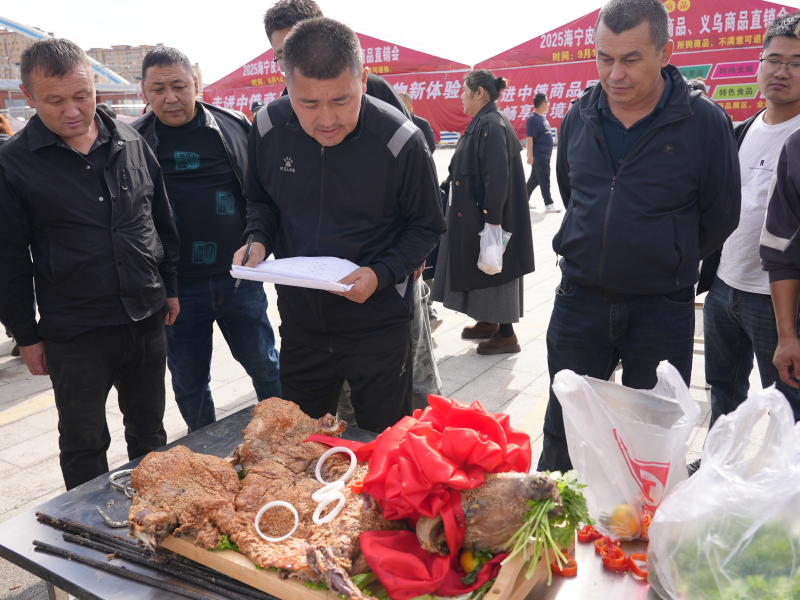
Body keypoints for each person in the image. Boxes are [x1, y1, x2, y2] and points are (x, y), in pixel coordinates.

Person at [539, 0, 741, 472]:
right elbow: (573, 193)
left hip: (661, 308)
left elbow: (721, 215)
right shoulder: (580, 115)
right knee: (566, 427)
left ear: (665, 52)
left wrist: (669, 255)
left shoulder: (704, 122)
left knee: (651, 441)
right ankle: (554, 517)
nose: (615, 74)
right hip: (578, 302)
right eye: (604, 58)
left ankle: (640, 522)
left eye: (631, 59)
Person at [234, 17, 444, 432]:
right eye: (309, 104)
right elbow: (261, 202)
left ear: (363, 81)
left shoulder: (400, 139)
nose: (327, 119)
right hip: (301, 325)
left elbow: (426, 227)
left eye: (342, 100)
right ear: (287, 84)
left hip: (378, 326)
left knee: (382, 443)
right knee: (299, 442)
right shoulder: (268, 127)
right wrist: (257, 239)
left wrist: (380, 273)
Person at [0, 38, 180, 489]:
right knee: (84, 442)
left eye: (82, 95)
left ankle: (155, 516)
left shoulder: (131, 140)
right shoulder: (13, 164)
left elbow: (159, 218)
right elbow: (9, 259)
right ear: (28, 97)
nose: (72, 111)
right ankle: (84, 526)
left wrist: (170, 286)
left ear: (95, 85)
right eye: (55, 101)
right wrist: (26, 335)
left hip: (144, 315)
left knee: (151, 433)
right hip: (75, 330)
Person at [133, 47, 282, 433]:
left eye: (179, 86)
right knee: (189, 381)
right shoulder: (132, 140)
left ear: (196, 83)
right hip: (177, 289)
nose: (171, 97)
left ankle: (285, 438)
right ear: (144, 92)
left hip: (238, 277)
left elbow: (262, 194)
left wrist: (259, 241)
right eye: (158, 89)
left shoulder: (234, 125)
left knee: (266, 367)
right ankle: (203, 448)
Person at [695, 13, 800, 467]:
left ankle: (783, 489)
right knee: (723, 391)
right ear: (759, 63)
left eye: (796, 63)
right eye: (773, 59)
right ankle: (719, 467)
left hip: (779, 302)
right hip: (725, 288)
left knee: (787, 407)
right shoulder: (742, 129)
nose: (782, 71)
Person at [431, 70, 535, 355]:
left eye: (465, 91)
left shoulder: (491, 123)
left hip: (487, 216)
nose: (461, 97)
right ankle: (489, 321)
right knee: (482, 270)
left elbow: (497, 177)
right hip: (476, 213)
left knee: (493, 269)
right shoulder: (485, 120)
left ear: (479, 93)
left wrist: (492, 223)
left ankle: (507, 335)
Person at [264, 0, 412, 120]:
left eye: (341, 101)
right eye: (284, 54)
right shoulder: (275, 117)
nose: (327, 121)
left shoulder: (376, 90)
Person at [525, 93, 560, 212]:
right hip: (539, 156)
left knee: (534, 180)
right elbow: (529, 138)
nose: (549, 104)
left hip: (544, 155)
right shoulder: (533, 119)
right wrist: (530, 156)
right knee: (545, 180)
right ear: (543, 104)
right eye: (548, 102)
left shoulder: (541, 117)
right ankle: (549, 204)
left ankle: (523, 201)